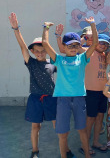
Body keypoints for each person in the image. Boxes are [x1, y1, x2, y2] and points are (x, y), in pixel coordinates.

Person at [42, 17, 98, 158]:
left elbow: (95, 43)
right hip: (63, 100)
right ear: (64, 47)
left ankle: (87, 155)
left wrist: (92, 24)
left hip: (79, 98)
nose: (73, 48)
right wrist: (46, 28)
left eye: (75, 45)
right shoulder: (59, 59)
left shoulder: (82, 58)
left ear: (79, 46)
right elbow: (45, 43)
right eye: (69, 45)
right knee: (62, 132)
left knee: (82, 130)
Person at [8, 12, 57, 158]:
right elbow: (22, 46)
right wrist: (16, 29)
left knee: (58, 126)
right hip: (35, 99)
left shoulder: (53, 63)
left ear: (47, 50)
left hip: (52, 98)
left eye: (43, 51)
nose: (40, 53)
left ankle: (64, 149)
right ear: (33, 52)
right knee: (35, 126)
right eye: (37, 51)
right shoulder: (31, 63)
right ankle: (35, 151)